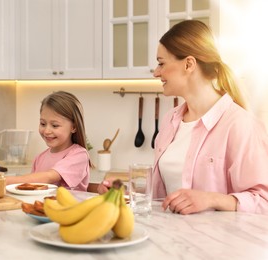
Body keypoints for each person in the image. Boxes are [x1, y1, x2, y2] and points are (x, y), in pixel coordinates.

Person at [99, 20, 268, 215]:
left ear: (189, 64)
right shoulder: (171, 120)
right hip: (171, 240)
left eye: (161, 63)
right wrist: (126, 192)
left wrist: (211, 199)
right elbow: (163, 195)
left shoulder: (240, 125)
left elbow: (263, 201)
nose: (156, 72)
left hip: (217, 244)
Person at [5, 91, 91, 191]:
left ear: (74, 127)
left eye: (55, 125)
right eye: (43, 124)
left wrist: (5, 181)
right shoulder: (40, 158)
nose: (46, 131)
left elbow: (49, 177)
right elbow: (31, 187)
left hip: (71, 206)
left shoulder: (79, 155)